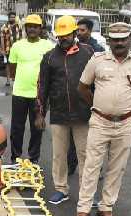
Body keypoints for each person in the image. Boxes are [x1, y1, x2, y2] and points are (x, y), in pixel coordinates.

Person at [74, 22, 131, 216]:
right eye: (115, 39)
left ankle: (106, 207)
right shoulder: (97, 60)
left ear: (130, 39)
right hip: (100, 122)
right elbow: (82, 88)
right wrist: (98, 107)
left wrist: (130, 109)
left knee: (117, 168)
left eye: (123, 39)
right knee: (91, 166)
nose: (119, 43)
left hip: (125, 124)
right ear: (109, 40)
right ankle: (83, 208)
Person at [37, 14, 94, 204]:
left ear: (75, 33)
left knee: (85, 155)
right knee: (59, 155)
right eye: (60, 35)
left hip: (83, 114)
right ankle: (61, 189)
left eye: (66, 35)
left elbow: (97, 82)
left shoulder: (88, 52)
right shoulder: (49, 57)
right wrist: (40, 113)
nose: (63, 38)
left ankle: (87, 194)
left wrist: (97, 107)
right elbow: (42, 87)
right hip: (59, 114)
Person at [7, 15, 54, 163]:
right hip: (19, 93)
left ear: (40, 29)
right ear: (25, 28)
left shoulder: (48, 46)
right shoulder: (17, 46)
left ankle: (33, 159)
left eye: (35, 26)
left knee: (37, 128)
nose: (32, 28)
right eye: (29, 26)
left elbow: (52, 68)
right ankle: (15, 157)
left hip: (39, 96)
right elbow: (12, 68)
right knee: (17, 128)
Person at [1, 12, 22, 86]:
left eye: (13, 17)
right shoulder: (5, 26)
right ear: (8, 18)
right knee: (8, 64)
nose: (12, 18)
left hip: (18, 49)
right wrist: (2, 49)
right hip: (8, 48)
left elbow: (21, 37)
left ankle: (15, 79)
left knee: (17, 64)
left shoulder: (18, 26)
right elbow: (2, 38)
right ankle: (8, 80)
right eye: (11, 17)